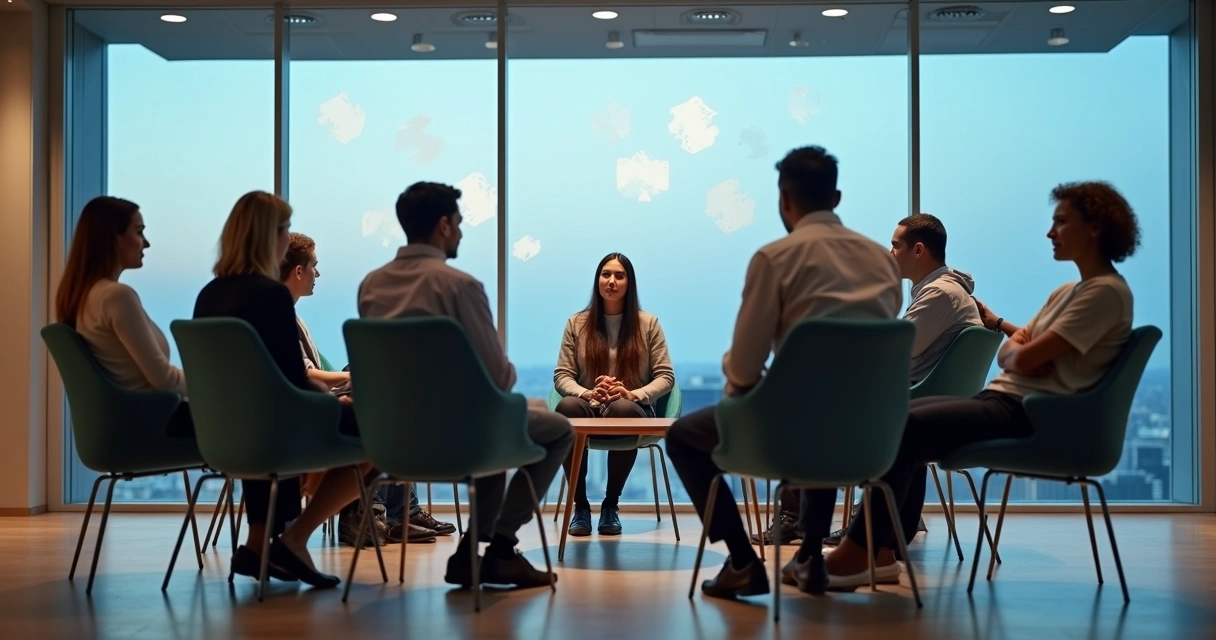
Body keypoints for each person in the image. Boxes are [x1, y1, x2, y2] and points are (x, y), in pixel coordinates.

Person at [808, 180, 1139, 590]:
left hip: (1029, 411)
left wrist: (1019, 353)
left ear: (1094, 228)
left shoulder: (1103, 294)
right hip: (1011, 400)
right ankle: (878, 550)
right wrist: (1011, 339)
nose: (1050, 232)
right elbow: (1019, 347)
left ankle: (864, 551)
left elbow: (1021, 354)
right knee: (899, 419)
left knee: (898, 424)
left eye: (1060, 221)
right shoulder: (1069, 291)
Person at [665, 146, 903, 601]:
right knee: (827, 411)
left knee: (682, 437)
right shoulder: (882, 262)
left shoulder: (776, 258)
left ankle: (740, 562)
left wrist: (737, 386)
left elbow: (744, 366)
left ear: (784, 200)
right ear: (836, 197)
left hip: (789, 432)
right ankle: (811, 554)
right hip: (870, 435)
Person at [358, 181, 574, 590]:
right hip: (461, 440)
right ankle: (501, 549)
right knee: (557, 430)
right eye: (459, 223)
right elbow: (497, 375)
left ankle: (470, 553)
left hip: (389, 441)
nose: (461, 231)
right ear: (443, 225)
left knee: (493, 429)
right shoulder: (459, 286)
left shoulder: (371, 286)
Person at [193, 190, 370, 590]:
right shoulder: (269, 295)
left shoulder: (210, 295)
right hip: (276, 428)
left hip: (223, 430)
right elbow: (291, 380)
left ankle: (257, 546)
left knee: (271, 418)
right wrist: (339, 401)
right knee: (378, 427)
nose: (286, 238)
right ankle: (294, 540)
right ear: (267, 235)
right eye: (284, 229)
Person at [817, 213, 984, 547]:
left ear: (918, 250)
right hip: (925, 400)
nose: (890, 253)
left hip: (915, 402)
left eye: (895, 246)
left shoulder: (939, 294)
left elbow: (898, 350)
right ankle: (883, 527)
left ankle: (815, 524)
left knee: (817, 408)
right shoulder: (945, 291)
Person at [278, 232, 451, 546]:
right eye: (314, 266)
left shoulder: (289, 314)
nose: (318, 273)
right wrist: (352, 379)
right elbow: (303, 373)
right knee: (383, 402)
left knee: (385, 391)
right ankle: (381, 512)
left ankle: (398, 512)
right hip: (305, 408)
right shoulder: (281, 315)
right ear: (298, 270)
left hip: (306, 402)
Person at [553, 252, 675, 537]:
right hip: (588, 405)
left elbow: (666, 377)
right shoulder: (577, 323)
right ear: (597, 280)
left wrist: (633, 395)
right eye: (606, 274)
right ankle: (580, 507)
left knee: (621, 409)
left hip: (632, 409)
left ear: (629, 283)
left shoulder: (648, 324)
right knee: (568, 407)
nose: (611, 281)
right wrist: (588, 392)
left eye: (619, 276)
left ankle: (611, 505)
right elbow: (561, 376)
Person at [56, 196, 192, 437]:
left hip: (128, 424)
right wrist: (213, 386)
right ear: (112, 238)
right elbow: (164, 380)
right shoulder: (116, 297)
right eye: (139, 232)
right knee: (249, 416)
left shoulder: (84, 297)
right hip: (155, 423)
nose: (146, 243)